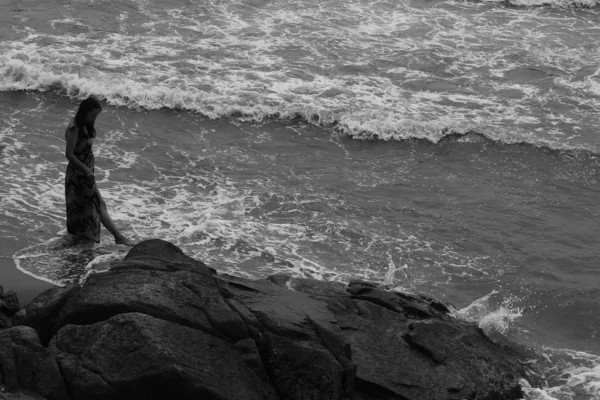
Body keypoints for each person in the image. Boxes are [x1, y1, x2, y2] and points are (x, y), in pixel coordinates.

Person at [64, 96, 134, 246]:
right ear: (85, 112)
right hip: (78, 175)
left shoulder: (85, 126)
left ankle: (82, 238)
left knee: (91, 205)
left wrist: (89, 171)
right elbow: (69, 154)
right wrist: (86, 171)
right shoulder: (74, 128)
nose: (94, 118)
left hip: (87, 173)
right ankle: (118, 237)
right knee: (97, 203)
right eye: (93, 114)